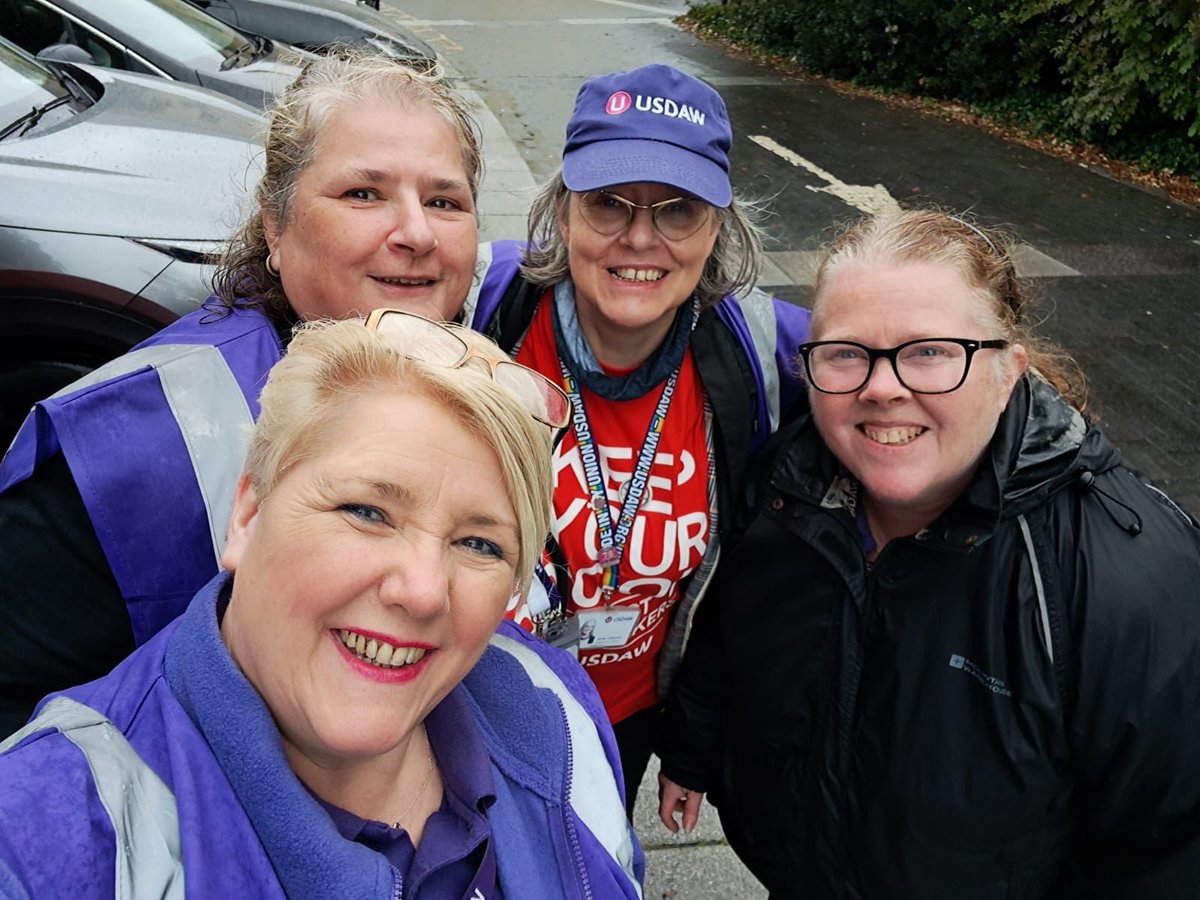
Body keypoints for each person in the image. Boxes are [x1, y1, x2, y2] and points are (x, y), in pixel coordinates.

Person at [0, 313, 644, 899]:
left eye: (479, 543)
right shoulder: (49, 832)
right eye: (366, 512)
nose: (422, 590)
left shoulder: (558, 712)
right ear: (247, 515)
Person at [655, 209, 1200, 897]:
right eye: (847, 353)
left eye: (930, 352)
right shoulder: (785, 491)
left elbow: (1170, 846)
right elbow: (728, 637)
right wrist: (693, 748)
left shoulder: (1128, 582)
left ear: (1008, 372)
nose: (882, 387)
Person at [0, 49, 483, 737]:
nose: (416, 233)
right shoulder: (133, 443)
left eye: (444, 201)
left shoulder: (467, 383)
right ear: (274, 227)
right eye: (363, 194)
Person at [459, 64, 811, 813]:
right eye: (608, 205)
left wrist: (692, 742)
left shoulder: (763, 353)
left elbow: (920, 364)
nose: (640, 238)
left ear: (718, 227)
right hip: (465, 701)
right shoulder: (478, 311)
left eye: (678, 210)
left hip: (625, 722)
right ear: (563, 214)